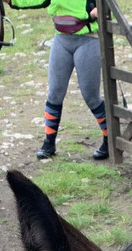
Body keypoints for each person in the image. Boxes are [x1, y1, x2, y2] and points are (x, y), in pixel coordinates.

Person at [36, 0, 108, 160]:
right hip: (61, 39)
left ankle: (109, 139)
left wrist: (100, 11)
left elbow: (109, 7)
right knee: (54, 93)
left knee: (91, 96)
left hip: (88, 39)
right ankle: (49, 143)